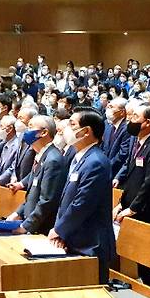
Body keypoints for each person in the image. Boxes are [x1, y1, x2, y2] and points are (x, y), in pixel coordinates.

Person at [49, 108, 115, 284]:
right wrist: (61, 231)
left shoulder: (96, 162)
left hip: (91, 243)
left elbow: (82, 204)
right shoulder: (79, 158)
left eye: (72, 124)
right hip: (75, 238)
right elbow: (66, 199)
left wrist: (58, 230)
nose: (65, 129)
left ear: (86, 131)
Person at [7, 115, 67, 235]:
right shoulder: (41, 156)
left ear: (44, 132)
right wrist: (17, 213)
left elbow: (46, 201)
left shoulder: (53, 160)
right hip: (32, 224)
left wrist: (26, 226)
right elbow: (32, 195)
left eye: (30, 127)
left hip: (41, 229)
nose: (26, 131)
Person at [113, 104, 150, 229]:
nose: (130, 120)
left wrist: (133, 209)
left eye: (135, 116)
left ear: (147, 122)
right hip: (132, 206)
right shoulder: (138, 141)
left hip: (147, 212)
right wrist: (122, 204)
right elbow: (132, 177)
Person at [102, 97, 131, 181]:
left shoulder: (127, 128)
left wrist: (106, 166)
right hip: (105, 169)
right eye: (108, 107)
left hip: (116, 172)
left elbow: (123, 153)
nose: (108, 109)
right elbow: (103, 146)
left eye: (111, 107)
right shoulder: (107, 125)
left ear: (122, 112)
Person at [0, 116, 19, 186]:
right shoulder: (5, 143)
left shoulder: (17, 145)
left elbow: (12, 169)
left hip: (7, 185)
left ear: (10, 129)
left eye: (1, 126)